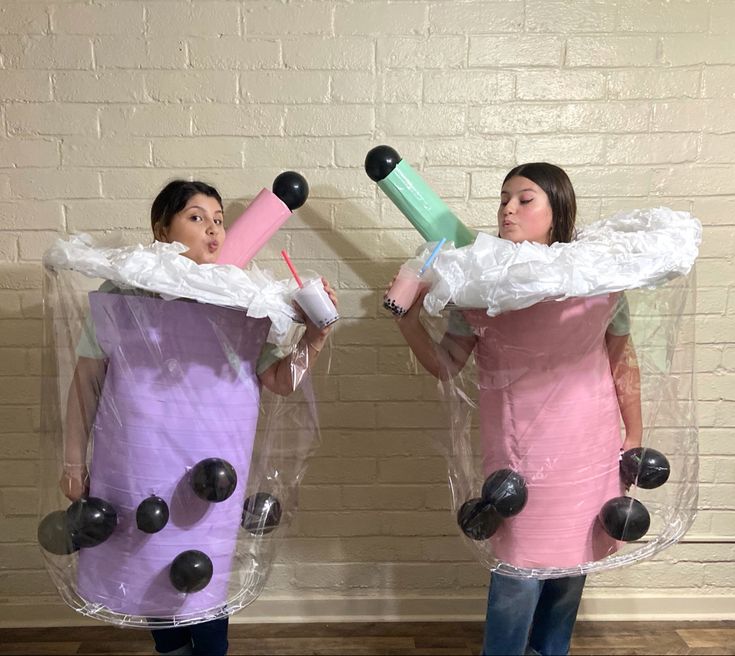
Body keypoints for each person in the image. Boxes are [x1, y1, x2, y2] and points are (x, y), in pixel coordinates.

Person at [59, 179, 337, 656]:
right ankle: (170, 651)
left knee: (205, 580)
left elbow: (279, 380)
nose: (213, 228)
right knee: (148, 567)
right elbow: (86, 382)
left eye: (218, 219)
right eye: (196, 217)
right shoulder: (124, 294)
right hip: (137, 464)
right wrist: (71, 462)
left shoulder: (244, 300)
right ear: (161, 229)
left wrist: (312, 339)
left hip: (213, 471)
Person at [386, 163, 642, 656]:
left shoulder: (601, 277)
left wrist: (633, 435)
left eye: (525, 199)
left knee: (570, 567)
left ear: (557, 211)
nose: (507, 208)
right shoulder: (479, 283)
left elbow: (622, 361)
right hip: (519, 450)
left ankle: (552, 651)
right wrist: (409, 322)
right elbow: (446, 365)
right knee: (518, 572)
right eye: (504, 197)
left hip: (589, 444)